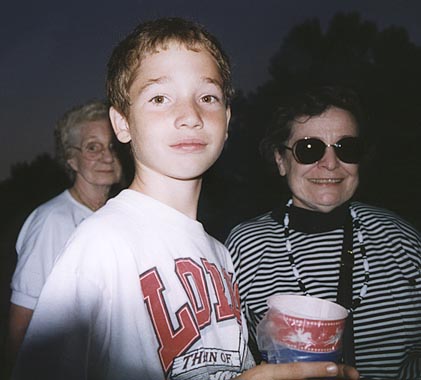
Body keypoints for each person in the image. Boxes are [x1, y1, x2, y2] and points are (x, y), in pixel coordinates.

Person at [12, 19, 358, 380]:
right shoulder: (102, 243)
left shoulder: (220, 254)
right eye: (160, 98)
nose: (191, 116)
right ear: (122, 124)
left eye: (207, 97)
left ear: (226, 119)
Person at [225, 85, 421, 380]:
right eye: (309, 149)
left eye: (347, 149)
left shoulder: (400, 237)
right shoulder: (246, 245)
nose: (330, 163)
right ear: (281, 160)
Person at [8, 100, 122, 360]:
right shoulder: (51, 221)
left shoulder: (116, 216)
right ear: (71, 159)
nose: (107, 156)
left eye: (113, 147)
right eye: (93, 147)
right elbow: (21, 325)